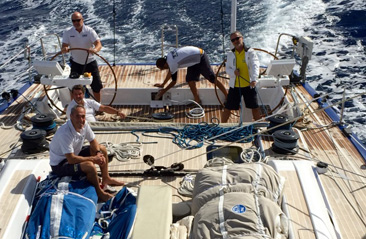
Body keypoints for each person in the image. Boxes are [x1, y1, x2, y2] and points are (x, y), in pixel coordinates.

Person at [49, 104, 124, 202]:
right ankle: (100, 193)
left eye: (83, 116)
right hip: (60, 164)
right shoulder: (65, 133)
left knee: (102, 149)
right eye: (77, 116)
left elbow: (93, 141)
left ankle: (106, 178)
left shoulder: (84, 125)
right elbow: (71, 159)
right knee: (89, 166)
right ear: (71, 116)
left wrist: (98, 153)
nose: (81, 119)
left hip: (75, 154)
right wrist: (93, 159)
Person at [155, 46, 228, 104]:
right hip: (193, 60)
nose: (163, 70)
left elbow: (174, 81)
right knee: (190, 80)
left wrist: (164, 91)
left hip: (201, 56)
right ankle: (197, 101)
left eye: (162, 68)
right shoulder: (168, 57)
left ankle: (227, 96)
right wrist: (163, 84)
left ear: (165, 64)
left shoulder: (172, 63)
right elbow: (171, 72)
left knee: (212, 78)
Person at [61, 11, 103, 102]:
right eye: (73, 21)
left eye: (78, 20)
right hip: (76, 63)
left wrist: (95, 50)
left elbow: (98, 44)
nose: (76, 23)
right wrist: (65, 48)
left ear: (82, 20)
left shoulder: (89, 31)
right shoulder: (68, 32)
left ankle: (98, 107)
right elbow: (64, 46)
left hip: (90, 62)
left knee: (96, 86)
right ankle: (75, 107)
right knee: (74, 87)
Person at [221, 31, 261, 123]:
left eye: (237, 38)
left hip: (249, 85)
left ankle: (259, 128)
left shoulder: (250, 52)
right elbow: (228, 69)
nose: (236, 41)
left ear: (242, 38)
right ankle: (221, 127)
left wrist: (254, 79)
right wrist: (233, 72)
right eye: (233, 40)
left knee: (255, 108)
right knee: (227, 108)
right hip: (235, 86)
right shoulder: (230, 54)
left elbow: (255, 65)